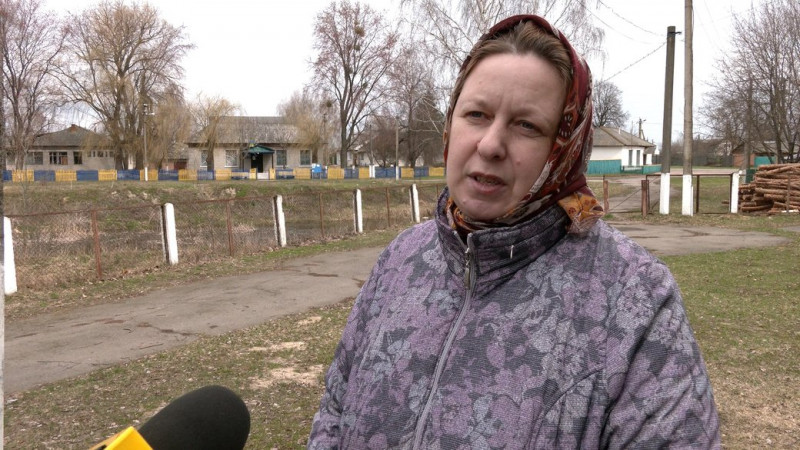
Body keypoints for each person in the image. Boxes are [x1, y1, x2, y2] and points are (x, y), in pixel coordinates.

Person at [308, 14, 720, 449]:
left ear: (564, 148)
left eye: (527, 126)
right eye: (476, 114)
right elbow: (335, 411)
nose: (490, 145)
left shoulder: (635, 300)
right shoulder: (400, 260)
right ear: (450, 122)